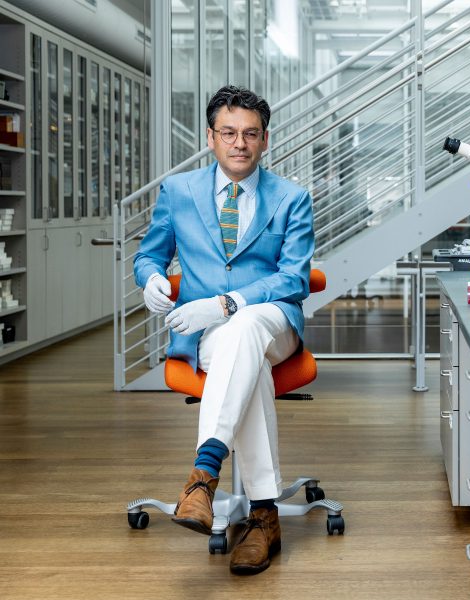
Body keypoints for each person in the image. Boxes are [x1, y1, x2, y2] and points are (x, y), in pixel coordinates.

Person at [134, 85, 314, 575]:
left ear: (265, 140)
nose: (240, 143)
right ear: (211, 137)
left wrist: (227, 303)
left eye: (250, 134)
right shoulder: (179, 192)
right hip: (209, 335)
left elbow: (294, 278)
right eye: (229, 133)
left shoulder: (292, 198)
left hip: (275, 322)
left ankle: (203, 478)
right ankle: (263, 516)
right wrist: (150, 277)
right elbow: (150, 253)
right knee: (242, 350)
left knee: (248, 326)